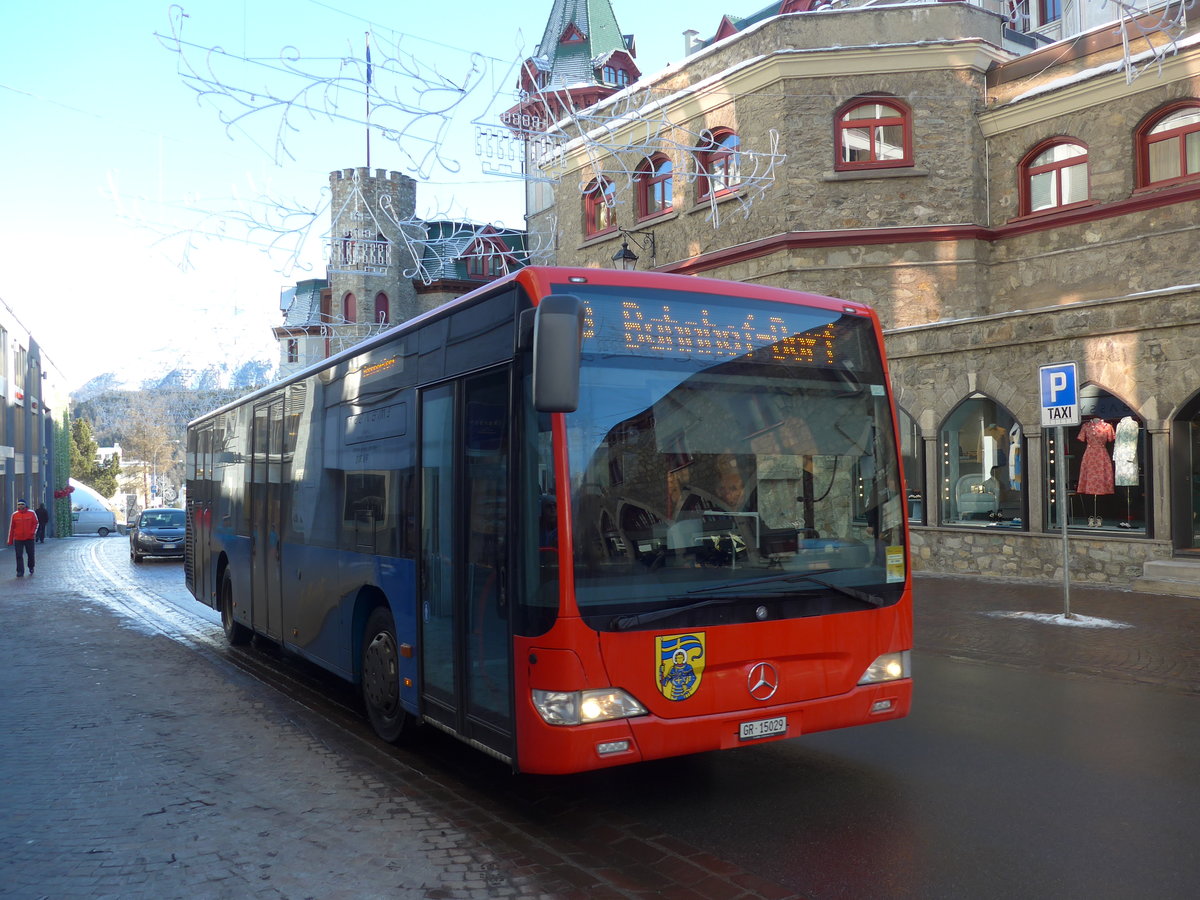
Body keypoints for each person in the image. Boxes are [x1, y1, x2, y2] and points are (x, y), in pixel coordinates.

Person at [8, 499, 39, 577]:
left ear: (25, 505)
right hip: (18, 538)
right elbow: (11, 527)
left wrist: (33, 533)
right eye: (19, 504)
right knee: (18, 555)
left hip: (29, 538)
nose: (20, 505)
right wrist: (10, 540)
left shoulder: (31, 513)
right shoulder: (14, 515)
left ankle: (31, 566)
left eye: (22, 504)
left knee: (31, 554)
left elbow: (36, 523)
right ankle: (20, 571)